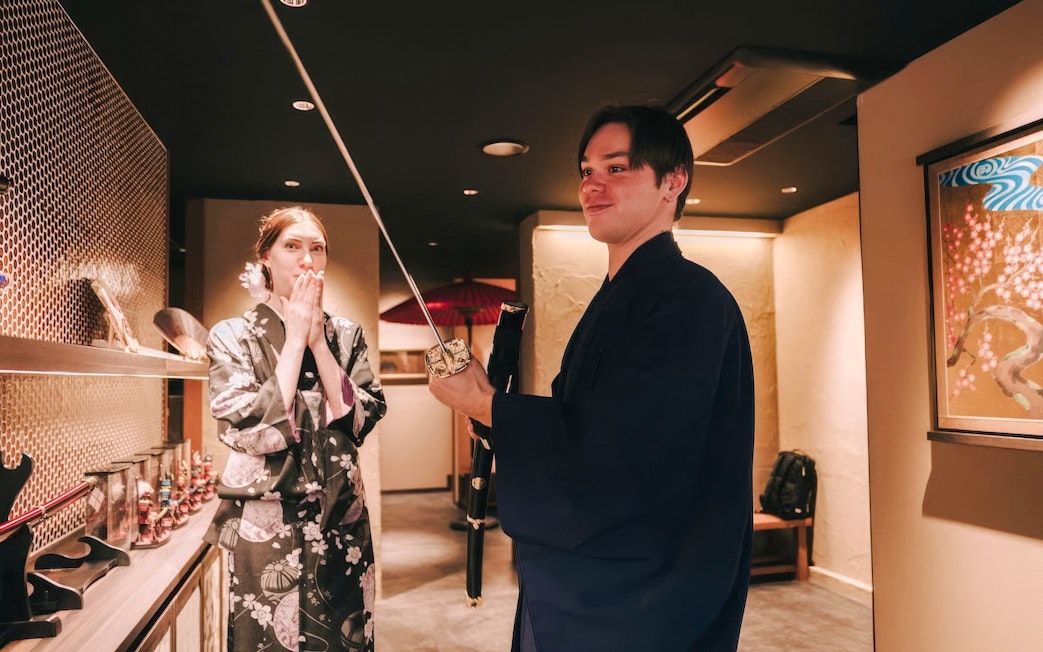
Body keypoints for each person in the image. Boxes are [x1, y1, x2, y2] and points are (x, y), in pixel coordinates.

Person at [429, 105, 755, 651]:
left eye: (616, 168)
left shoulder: (690, 299)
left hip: (644, 594)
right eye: (586, 171)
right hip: (596, 579)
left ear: (673, 181)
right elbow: (583, 419)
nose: (593, 187)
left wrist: (492, 407)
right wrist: (495, 421)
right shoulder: (617, 297)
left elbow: (626, 448)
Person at [205, 206, 387, 651]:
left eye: (317, 248)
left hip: (340, 517)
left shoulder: (347, 335)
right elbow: (252, 430)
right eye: (292, 246)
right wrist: (291, 341)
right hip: (265, 526)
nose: (307, 259)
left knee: (346, 637)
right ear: (266, 257)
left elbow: (360, 418)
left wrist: (318, 342)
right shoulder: (231, 335)